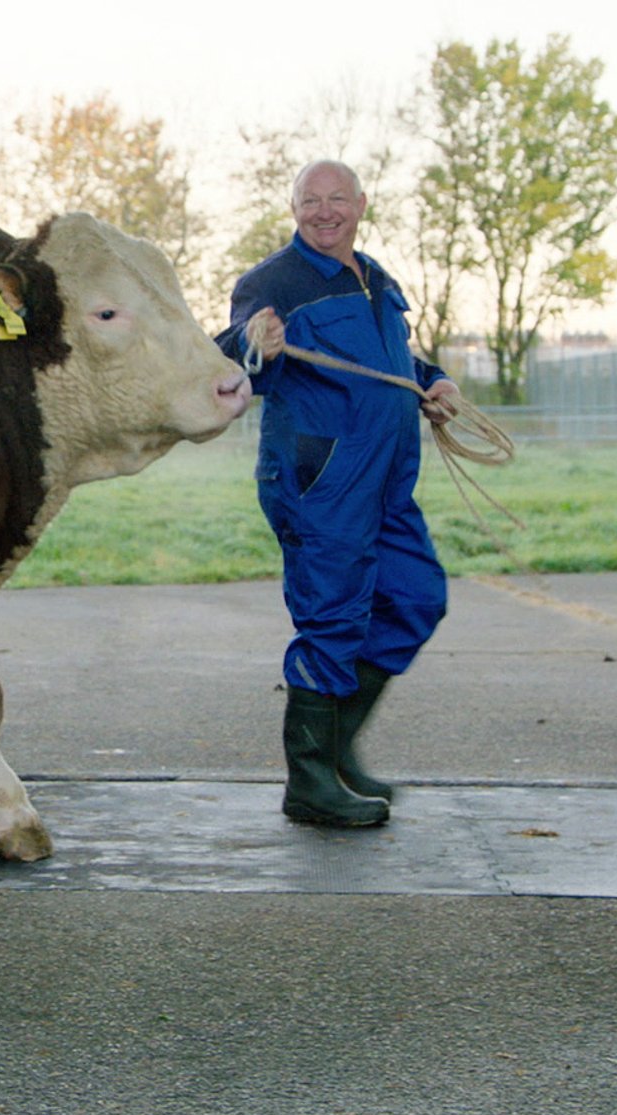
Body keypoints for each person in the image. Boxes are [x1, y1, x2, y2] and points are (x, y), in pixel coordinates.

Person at [214, 159, 464, 828]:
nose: (324, 212)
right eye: (310, 201)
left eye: (336, 200)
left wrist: (435, 384)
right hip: (321, 479)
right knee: (334, 619)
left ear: (360, 203)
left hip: (387, 481)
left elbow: (393, 362)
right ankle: (311, 781)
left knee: (416, 598)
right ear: (293, 208)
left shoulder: (376, 278)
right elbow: (231, 358)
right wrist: (252, 344)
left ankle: (338, 750)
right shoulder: (271, 283)